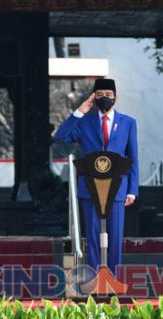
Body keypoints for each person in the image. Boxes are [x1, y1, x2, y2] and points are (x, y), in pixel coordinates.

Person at [54, 78, 139, 276]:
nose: (104, 99)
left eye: (108, 95)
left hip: (118, 186)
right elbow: (61, 137)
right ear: (94, 97)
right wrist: (79, 112)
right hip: (90, 185)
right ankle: (93, 278)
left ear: (115, 97)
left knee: (116, 236)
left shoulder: (128, 123)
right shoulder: (85, 122)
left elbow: (133, 157)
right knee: (92, 236)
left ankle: (113, 278)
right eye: (99, 95)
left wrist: (133, 190)